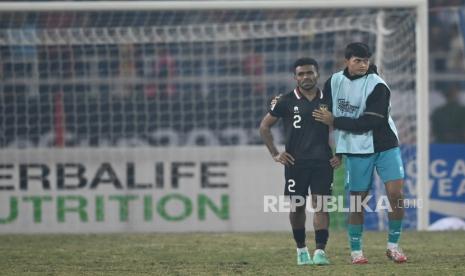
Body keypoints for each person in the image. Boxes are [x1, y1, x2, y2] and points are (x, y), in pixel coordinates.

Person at [312, 42, 408, 264]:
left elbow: (371, 121)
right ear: (347, 61)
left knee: (396, 195)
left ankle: (393, 246)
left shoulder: (378, 85)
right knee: (357, 201)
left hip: (384, 144)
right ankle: (356, 252)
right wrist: (335, 149)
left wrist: (335, 121)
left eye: (366, 61)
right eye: (358, 61)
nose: (363, 65)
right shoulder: (334, 81)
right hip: (355, 148)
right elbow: (323, 112)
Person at [259, 57, 341, 266]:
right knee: (297, 207)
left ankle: (320, 251)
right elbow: (264, 127)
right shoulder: (285, 100)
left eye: (309, 73)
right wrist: (275, 154)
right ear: (295, 77)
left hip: (323, 162)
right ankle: (301, 249)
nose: (306, 77)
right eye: (301, 74)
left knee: (321, 205)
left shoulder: (329, 99)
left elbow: (340, 128)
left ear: (317, 74)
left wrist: (339, 153)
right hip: (296, 163)